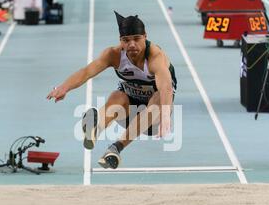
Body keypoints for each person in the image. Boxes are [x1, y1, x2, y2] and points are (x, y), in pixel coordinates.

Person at [46, 12, 177, 169]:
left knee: (157, 100)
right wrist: (64, 87)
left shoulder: (155, 56)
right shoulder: (113, 55)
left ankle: (116, 147)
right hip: (127, 111)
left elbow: (166, 88)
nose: (132, 44)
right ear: (120, 40)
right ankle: (96, 127)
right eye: (126, 40)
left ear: (145, 36)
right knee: (117, 95)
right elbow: (86, 72)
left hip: (153, 119)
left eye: (136, 39)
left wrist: (165, 118)